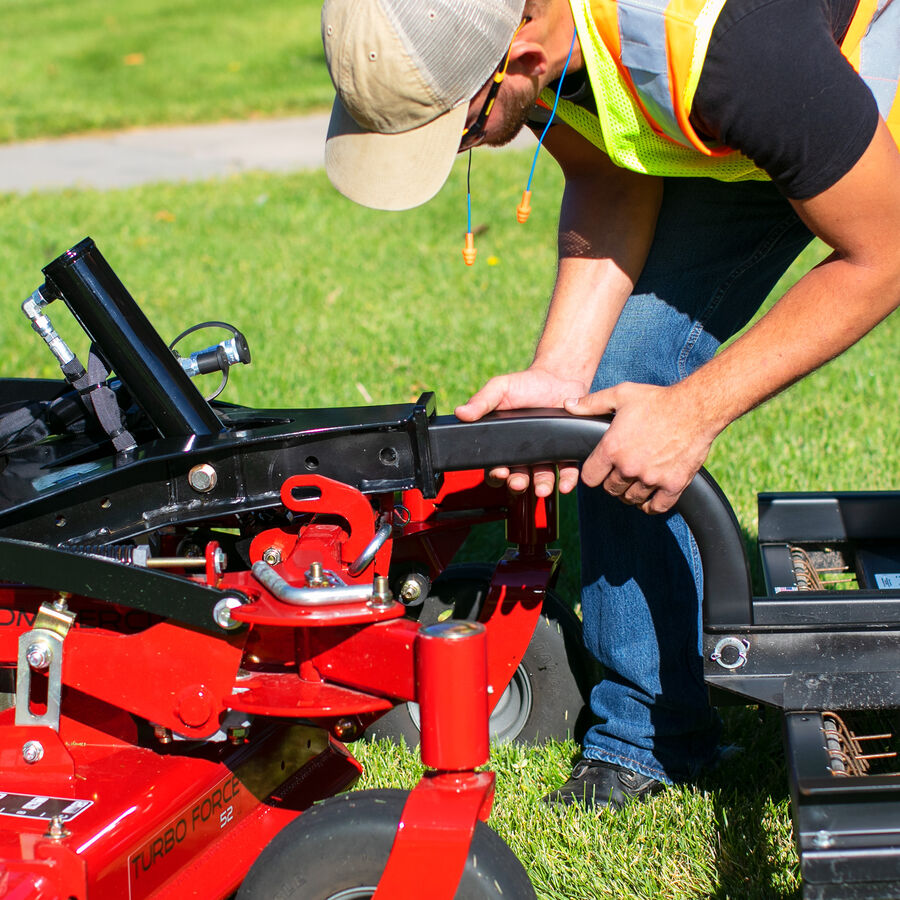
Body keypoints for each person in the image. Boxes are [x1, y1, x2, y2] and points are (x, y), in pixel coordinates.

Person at [320, 0, 900, 809]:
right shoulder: (521, 40)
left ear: (518, 52)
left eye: (461, 124)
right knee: (618, 385)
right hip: (756, 116)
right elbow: (611, 169)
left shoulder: (725, 44)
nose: (463, 146)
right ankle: (652, 737)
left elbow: (885, 252)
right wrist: (563, 373)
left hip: (849, 85)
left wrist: (695, 411)